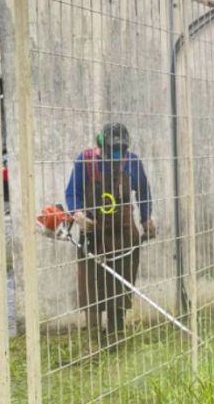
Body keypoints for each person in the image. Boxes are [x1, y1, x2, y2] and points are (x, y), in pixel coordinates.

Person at [65, 122, 156, 341]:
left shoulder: (132, 162)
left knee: (121, 284)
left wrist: (146, 219)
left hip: (124, 235)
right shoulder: (85, 162)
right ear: (100, 145)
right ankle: (94, 336)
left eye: (120, 151)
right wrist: (77, 214)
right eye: (111, 151)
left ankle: (117, 332)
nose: (115, 156)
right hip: (93, 235)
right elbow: (72, 193)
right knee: (92, 285)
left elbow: (144, 192)